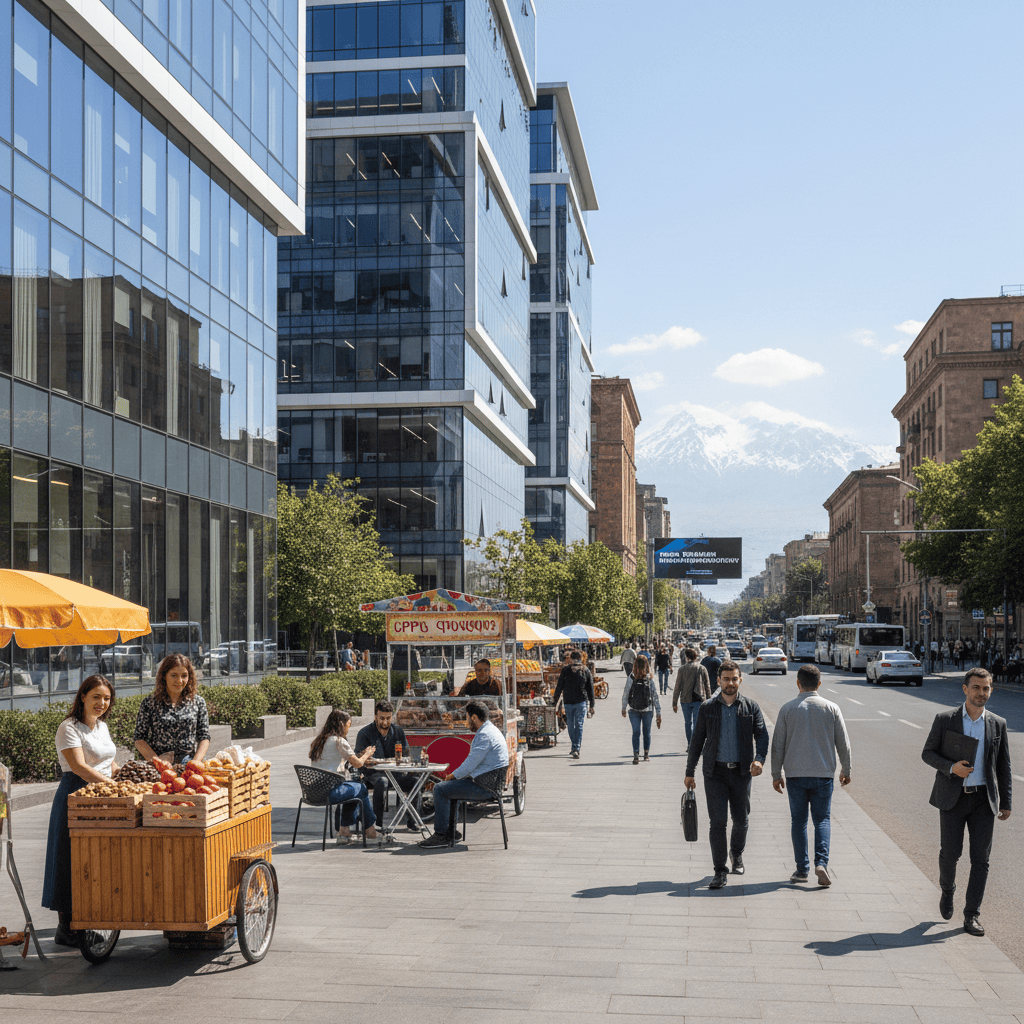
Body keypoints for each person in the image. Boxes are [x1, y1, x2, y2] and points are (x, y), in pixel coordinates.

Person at [921, 668, 1012, 936]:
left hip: (984, 800)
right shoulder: (945, 719)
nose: (981, 693)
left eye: (986, 689)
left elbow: (1003, 766)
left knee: (981, 860)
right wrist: (951, 768)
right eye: (976, 688)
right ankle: (947, 891)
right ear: (965, 689)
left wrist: (1005, 802)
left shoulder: (997, 723)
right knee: (950, 855)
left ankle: (971, 914)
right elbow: (928, 753)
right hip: (953, 799)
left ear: (990, 690)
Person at [42, 675, 119, 946]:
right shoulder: (68, 727)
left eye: (107, 698)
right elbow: (79, 767)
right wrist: (115, 787)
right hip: (75, 794)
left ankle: (85, 921)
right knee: (68, 859)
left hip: (101, 796)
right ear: (83, 696)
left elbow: (109, 763)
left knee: (93, 860)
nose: (101, 703)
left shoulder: (102, 727)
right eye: (96, 696)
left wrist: (133, 775)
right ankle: (67, 928)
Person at [685, 660, 769, 889]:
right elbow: (697, 741)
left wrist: (759, 760)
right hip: (715, 773)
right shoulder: (707, 708)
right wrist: (689, 771)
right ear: (718, 681)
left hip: (742, 773)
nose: (730, 683)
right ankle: (720, 871)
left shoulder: (751, 707)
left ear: (740, 679)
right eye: (726, 679)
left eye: (734, 679)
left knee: (741, 821)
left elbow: (762, 736)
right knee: (718, 822)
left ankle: (737, 853)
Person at [770, 664, 852, 887]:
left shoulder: (788, 709)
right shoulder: (832, 708)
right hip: (823, 774)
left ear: (798, 683)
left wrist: (776, 774)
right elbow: (843, 742)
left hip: (795, 775)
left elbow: (777, 745)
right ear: (819, 683)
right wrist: (846, 769)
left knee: (799, 821)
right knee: (822, 819)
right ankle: (821, 863)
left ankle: (801, 869)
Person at [420, 700, 510, 848]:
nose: (467, 721)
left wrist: (451, 776)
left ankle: (441, 835)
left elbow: (469, 764)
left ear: (474, 717)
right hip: (490, 783)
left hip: (485, 788)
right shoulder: (491, 730)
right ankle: (451, 832)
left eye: (467, 718)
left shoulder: (485, 735)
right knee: (449, 787)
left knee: (440, 789)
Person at [308, 709, 379, 842]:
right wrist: (367, 754)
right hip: (329, 792)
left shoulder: (320, 740)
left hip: (313, 791)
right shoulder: (338, 741)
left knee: (354, 789)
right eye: (348, 725)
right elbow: (358, 764)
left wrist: (359, 755)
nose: (348, 729)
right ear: (341, 724)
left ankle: (345, 831)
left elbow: (340, 758)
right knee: (361, 788)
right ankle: (370, 830)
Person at [133, 654, 211, 766]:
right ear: (164, 676)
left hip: (188, 762)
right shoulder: (149, 703)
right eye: (174, 675)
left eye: (184, 676)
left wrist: (196, 762)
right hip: (158, 762)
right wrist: (157, 761)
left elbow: (204, 736)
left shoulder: (198, 702)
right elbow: (139, 739)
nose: (179, 681)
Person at [355, 701, 418, 829]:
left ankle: (413, 820)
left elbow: (407, 755)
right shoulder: (365, 733)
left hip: (396, 774)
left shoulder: (398, 731)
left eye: (388, 718)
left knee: (416, 782)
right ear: (375, 716)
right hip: (373, 775)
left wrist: (382, 761)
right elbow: (360, 759)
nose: (385, 722)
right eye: (382, 718)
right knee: (382, 781)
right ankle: (377, 824)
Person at [553, 649, 595, 759]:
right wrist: (592, 706)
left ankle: (575, 747)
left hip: (574, 702)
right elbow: (590, 689)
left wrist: (555, 700)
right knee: (575, 725)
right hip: (575, 702)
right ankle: (576, 747)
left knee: (575, 725)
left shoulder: (575, 670)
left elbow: (559, 686)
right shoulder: (577, 670)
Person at [621, 654, 661, 765]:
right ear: (647, 664)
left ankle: (636, 755)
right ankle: (646, 754)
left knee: (636, 732)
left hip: (633, 709)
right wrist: (658, 712)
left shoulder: (631, 677)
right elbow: (655, 696)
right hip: (648, 709)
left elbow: (626, 692)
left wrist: (624, 707)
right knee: (647, 732)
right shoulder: (650, 677)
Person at [672, 648, 712, 747]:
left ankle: (690, 743)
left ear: (687, 657)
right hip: (699, 699)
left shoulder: (682, 669)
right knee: (696, 723)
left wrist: (674, 702)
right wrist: (710, 701)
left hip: (685, 699)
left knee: (687, 723)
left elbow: (678, 686)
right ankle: (695, 744)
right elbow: (707, 686)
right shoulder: (702, 668)